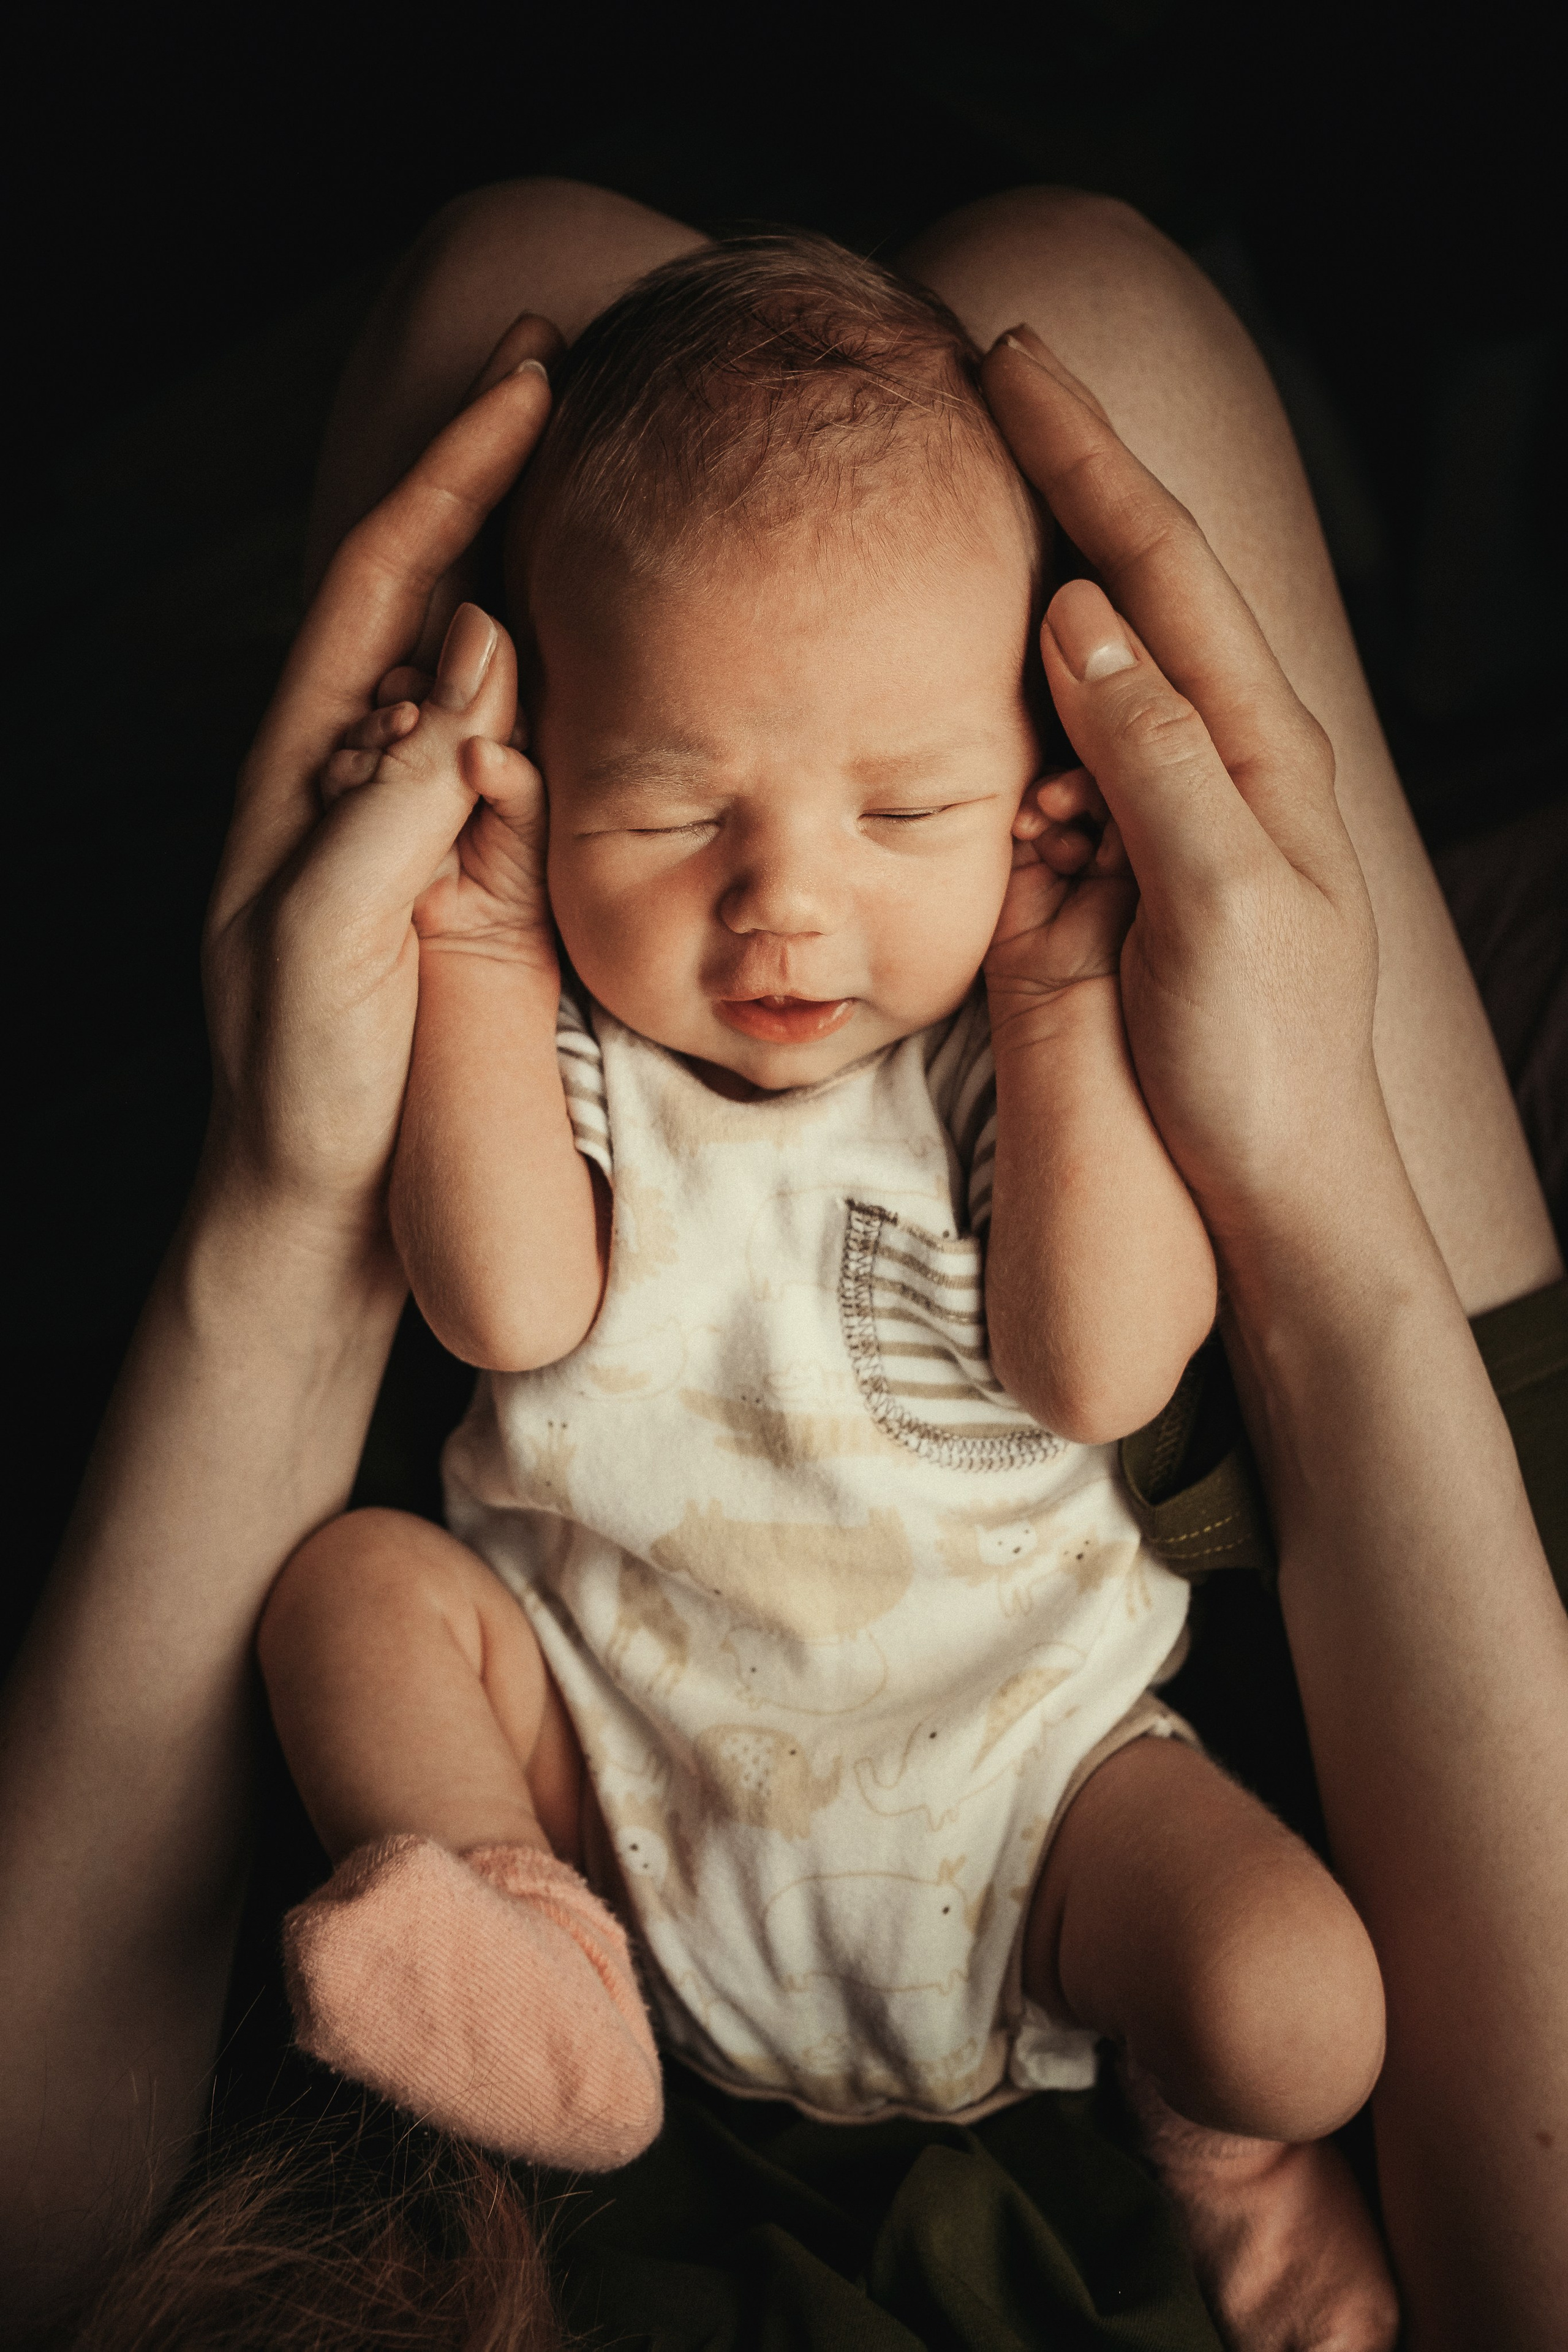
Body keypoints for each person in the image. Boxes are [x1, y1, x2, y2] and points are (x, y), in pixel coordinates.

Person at [0, 181, 1563, 2352]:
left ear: (1030, 797)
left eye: (904, 814)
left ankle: (1240, 2158)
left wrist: (1054, 1001)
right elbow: (505, 1304)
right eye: (665, 815)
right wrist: (460, 938)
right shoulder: (582, 1051)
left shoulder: (1003, 1057)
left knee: (1298, 2021)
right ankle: (524, 1935)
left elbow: (1101, 1364)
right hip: (622, 1788)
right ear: (545, 809)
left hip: (1025, 1794)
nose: (785, 915)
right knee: (358, 1609)